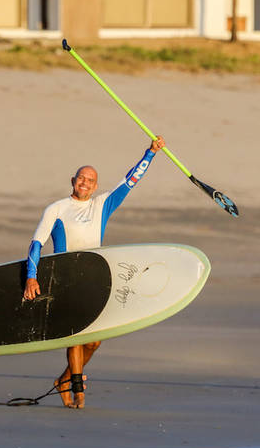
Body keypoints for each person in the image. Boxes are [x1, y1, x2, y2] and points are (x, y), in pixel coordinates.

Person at [23, 136, 166, 409]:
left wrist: (150, 153)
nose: (84, 183)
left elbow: (130, 181)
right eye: (80, 178)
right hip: (65, 279)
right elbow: (36, 243)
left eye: (90, 180)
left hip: (94, 279)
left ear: (95, 186)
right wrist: (32, 276)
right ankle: (77, 390)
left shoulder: (101, 205)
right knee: (78, 334)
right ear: (72, 180)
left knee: (95, 341)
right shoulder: (56, 209)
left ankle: (63, 379)